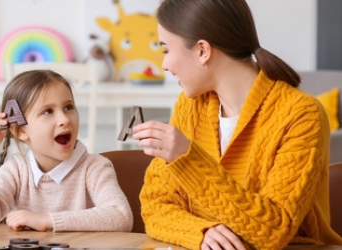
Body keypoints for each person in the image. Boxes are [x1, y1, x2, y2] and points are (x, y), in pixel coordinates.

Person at [132, 0, 342, 249]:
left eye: (166, 50)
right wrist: (201, 231)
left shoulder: (302, 115)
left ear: (202, 51)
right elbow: (155, 207)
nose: (164, 65)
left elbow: (272, 231)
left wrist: (187, 159)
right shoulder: (190, 107)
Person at [0, 69, 133, 232]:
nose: (64, 119)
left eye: (68, 107)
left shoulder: (95, 167)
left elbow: (121, 216)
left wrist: (48, 220)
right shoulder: (17, 170)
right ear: (21, 131)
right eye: (47, 111)